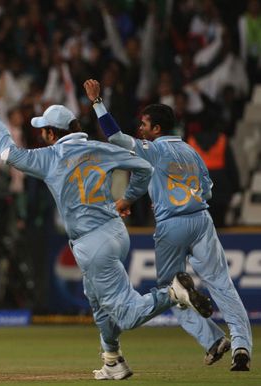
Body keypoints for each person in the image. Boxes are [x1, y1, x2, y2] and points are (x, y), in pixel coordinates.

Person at [0, 84, 213, 380]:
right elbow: (144, 168)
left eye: (43, 130)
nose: (41, 135)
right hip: (115, 231)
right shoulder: (100, 148)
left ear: (52, 133)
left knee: (127, 314)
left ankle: (174, 293)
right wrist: (128, 197)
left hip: (91, 242)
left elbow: (8, 153)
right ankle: (113, 360)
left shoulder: (49, 157)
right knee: (98, 301)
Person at [83, 79, 252, 371]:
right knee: (222, 284)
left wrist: (97, 103)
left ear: (157, 130)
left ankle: (211, 339)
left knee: (171, 289)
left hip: (172, 226)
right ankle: (241, 346)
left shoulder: (153, 150)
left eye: (145, 125)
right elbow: (207, 191)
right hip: (201, 221)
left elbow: (115, 137)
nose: (141, 129)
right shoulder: (191, 152)